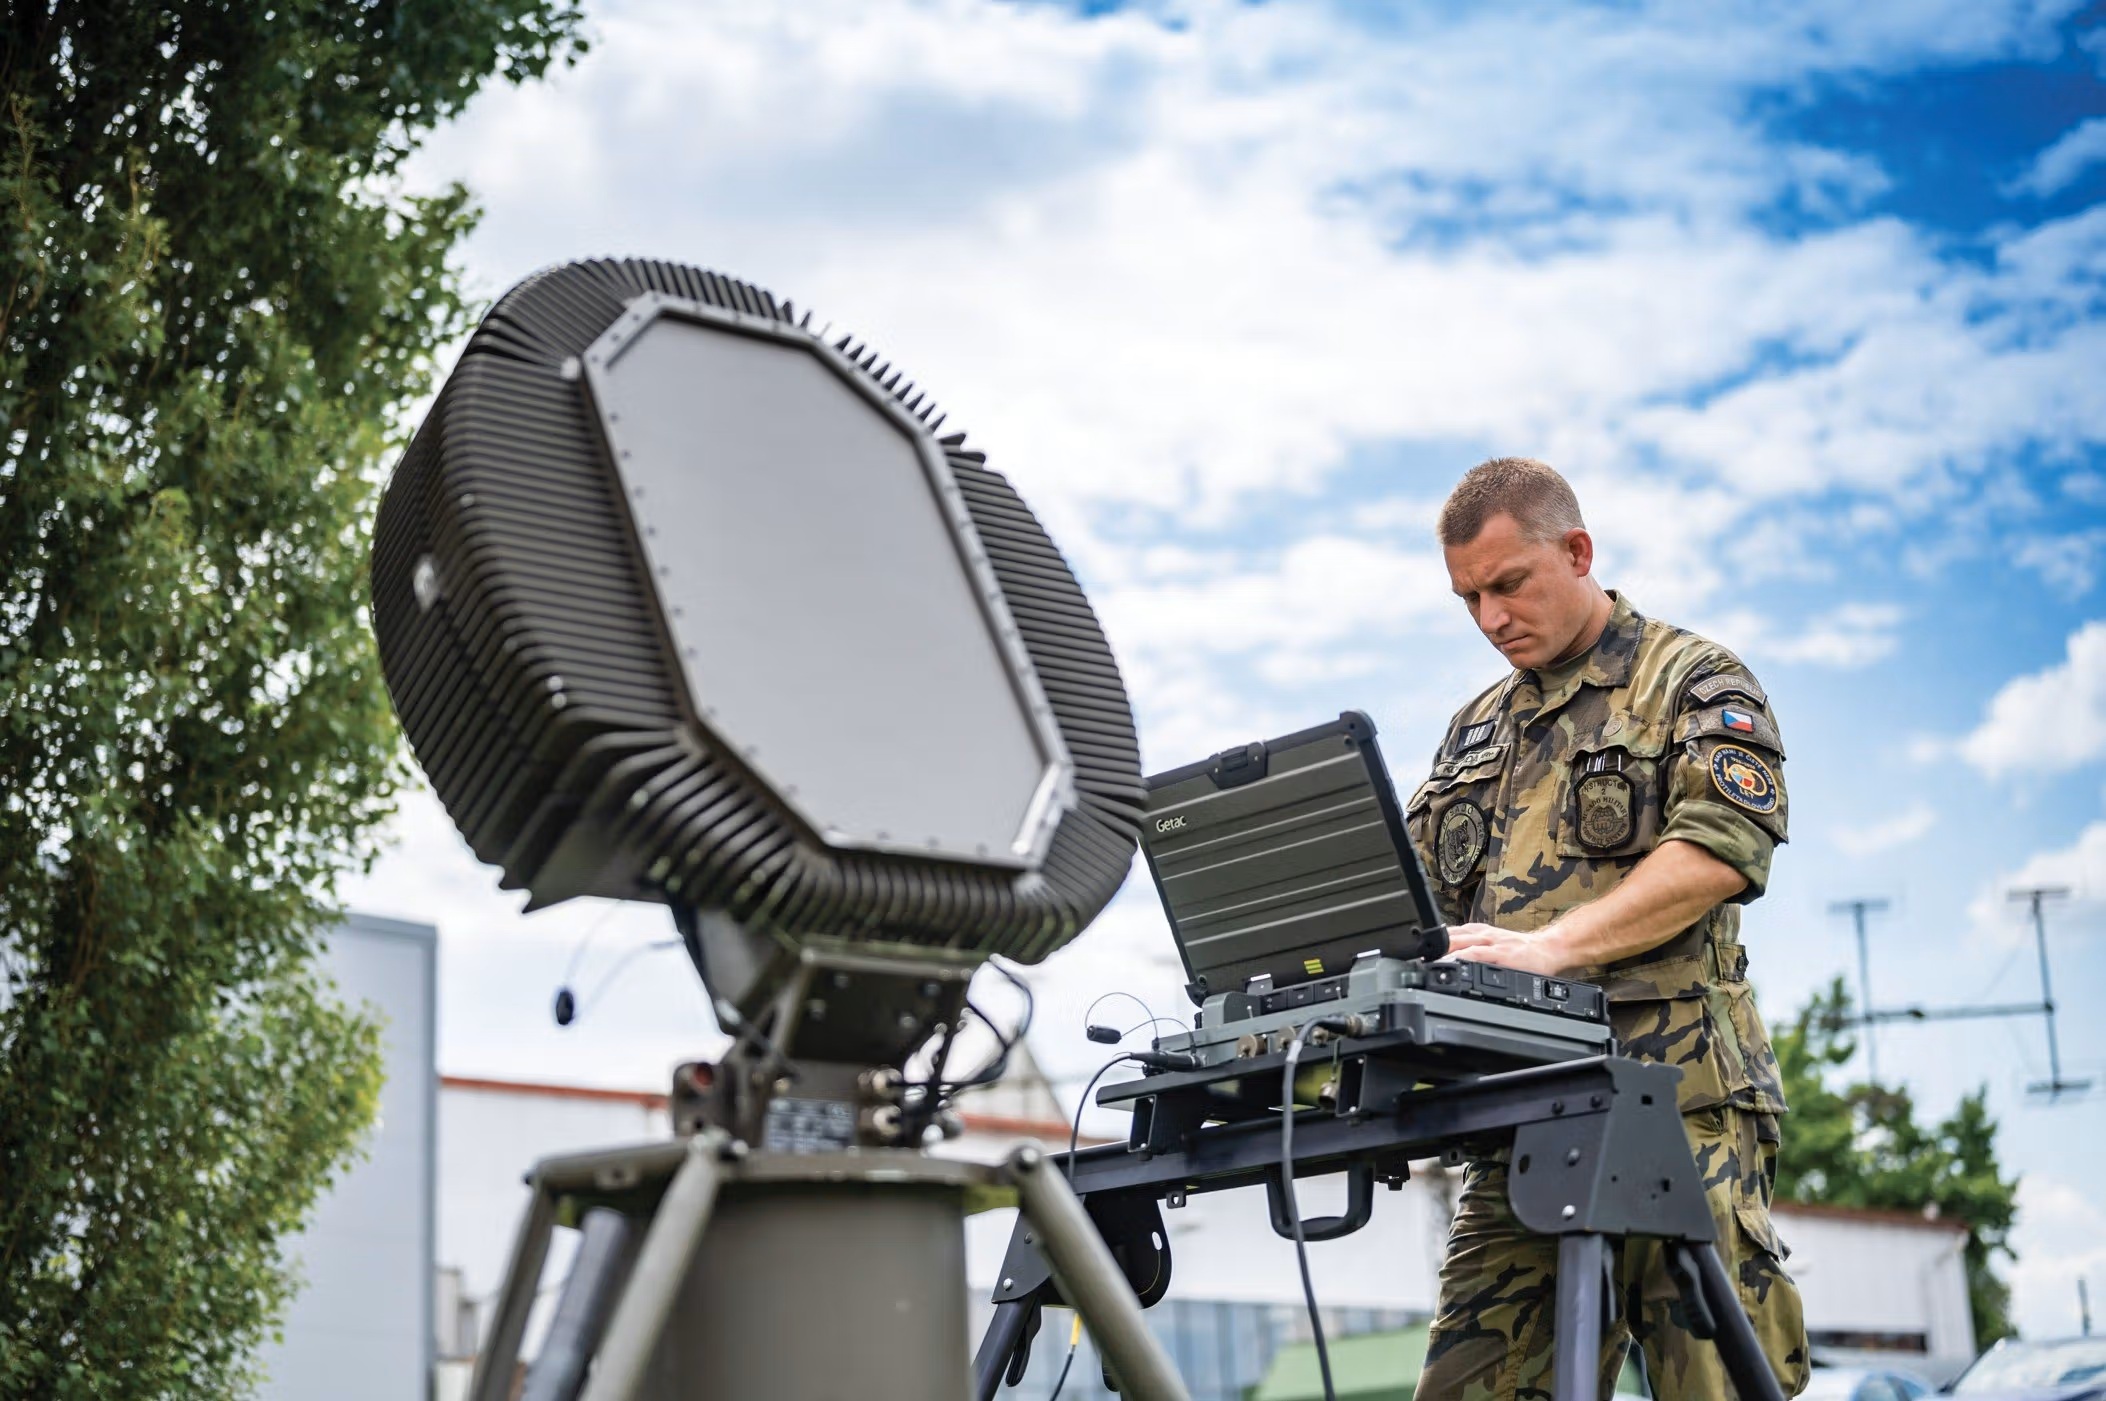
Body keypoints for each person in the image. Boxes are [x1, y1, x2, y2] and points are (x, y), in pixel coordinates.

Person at [1408, 457, 1810, 1400]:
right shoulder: (1473, 735)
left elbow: (1720, 849)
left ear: (1578, 551)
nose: (1492, 617)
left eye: (1509, 583)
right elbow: (1416, 906)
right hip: (1525, 1116)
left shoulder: (1690, 679)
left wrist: (1552, 948)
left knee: (1714, 1383)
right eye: (1469, 597)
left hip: (1683, 1104)